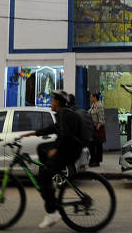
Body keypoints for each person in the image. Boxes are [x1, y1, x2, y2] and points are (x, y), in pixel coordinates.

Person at [20, 90, 83, 229]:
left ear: (58, 102)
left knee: (43, 178)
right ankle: (49, 172)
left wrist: (56, 149)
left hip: (69, 150)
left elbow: (65, 135)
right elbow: (52, 129)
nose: (51, 102)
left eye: (52, 100)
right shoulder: (62, 114)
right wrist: (33, 133)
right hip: (70, 148)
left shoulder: (63, 114)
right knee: (42, 147)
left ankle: (52, 212)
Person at [89, 91, 105, 167]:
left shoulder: (99, 106)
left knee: (98, 145)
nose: (90, 98)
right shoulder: (93, 105)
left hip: (98, 128)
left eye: (91, 97)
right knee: (91, 145)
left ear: (95, 98)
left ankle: (97, 161)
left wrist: (97, 127)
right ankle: (92, 159)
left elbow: (101, 118)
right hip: (93, 127)